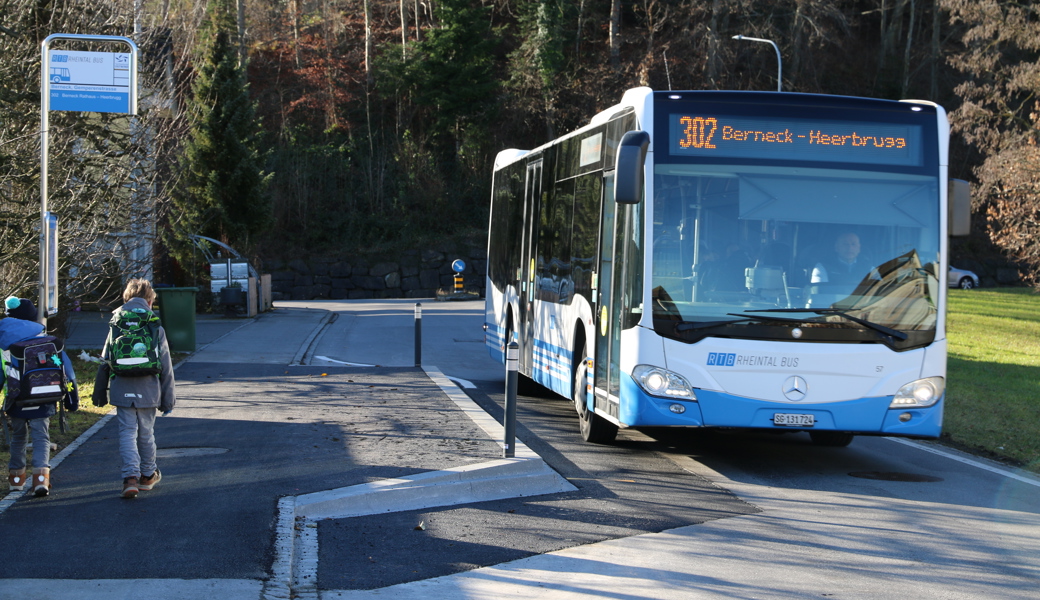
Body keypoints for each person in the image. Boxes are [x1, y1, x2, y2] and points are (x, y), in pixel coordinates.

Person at [92, 279, 175, 499]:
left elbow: (105, 359)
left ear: (125, 299)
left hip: (121, 387)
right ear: (150, 300)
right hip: (148, 389)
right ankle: (147, 475)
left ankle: (130, 478)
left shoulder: (116, 322)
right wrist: (168, 399)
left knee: (127, 433)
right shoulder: (154, 325)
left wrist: (99, 391)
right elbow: (165, 366)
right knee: (146, 433)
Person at [1, 297, 79, 497]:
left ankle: (16, 481)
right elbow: (65, 370)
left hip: (16, 398)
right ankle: (41, 480)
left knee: (18, 438)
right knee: (41, 438)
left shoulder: (4, 343)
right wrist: (72, 397)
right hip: (43, 397)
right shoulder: (46, 341)